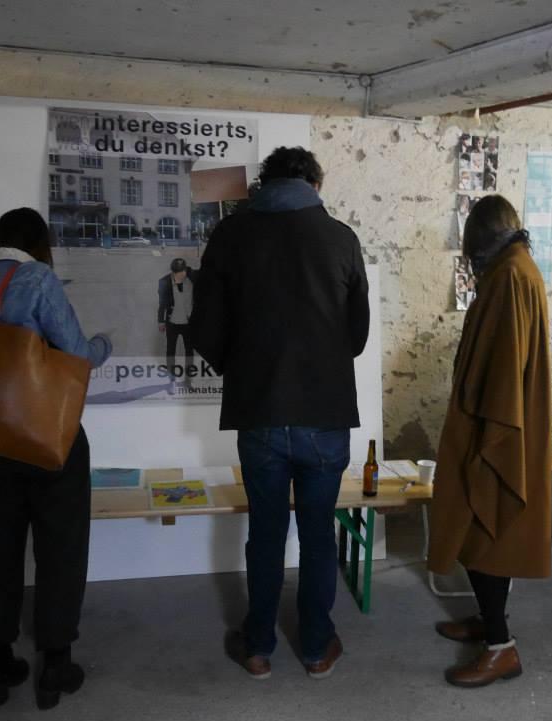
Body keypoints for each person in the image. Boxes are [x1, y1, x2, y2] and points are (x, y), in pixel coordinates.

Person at [190, 147, 369, 680]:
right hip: (325, 413)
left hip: (259, 412)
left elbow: (203, 329)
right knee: (318, 535)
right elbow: (355, 337)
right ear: (316, 181)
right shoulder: (340, 238)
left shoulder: (230, 235)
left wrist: (244, 368)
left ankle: (258, 646)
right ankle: (316, 648)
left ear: (263, 183)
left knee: (265, 535)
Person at [0, 208, 111, 709]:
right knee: (61, 548)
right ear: (39, 244)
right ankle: (55, 665)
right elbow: (75, 354)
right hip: (45, 437)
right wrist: (104, 344)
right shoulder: (36, 280)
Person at [427, 195, 552, 688]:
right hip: (500, 417)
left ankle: (502, 649)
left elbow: (501, 367)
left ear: (480, 238)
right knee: (482, 527)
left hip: (496, 425)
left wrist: (487, 434)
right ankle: (487, 622)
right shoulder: (518, 268)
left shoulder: (508, 277)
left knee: (483, 526)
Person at [157, 257, 197, 393]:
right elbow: (162, 304)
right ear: (173, 272)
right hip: (172, 323)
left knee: (190, 353)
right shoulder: (164, 283)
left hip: (189, 323)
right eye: (178, 272)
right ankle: (172, 381)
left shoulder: (192, 278)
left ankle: (188, 381)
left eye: (183, 271)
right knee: (170, 352)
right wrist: (161, 321)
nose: (182, 274)